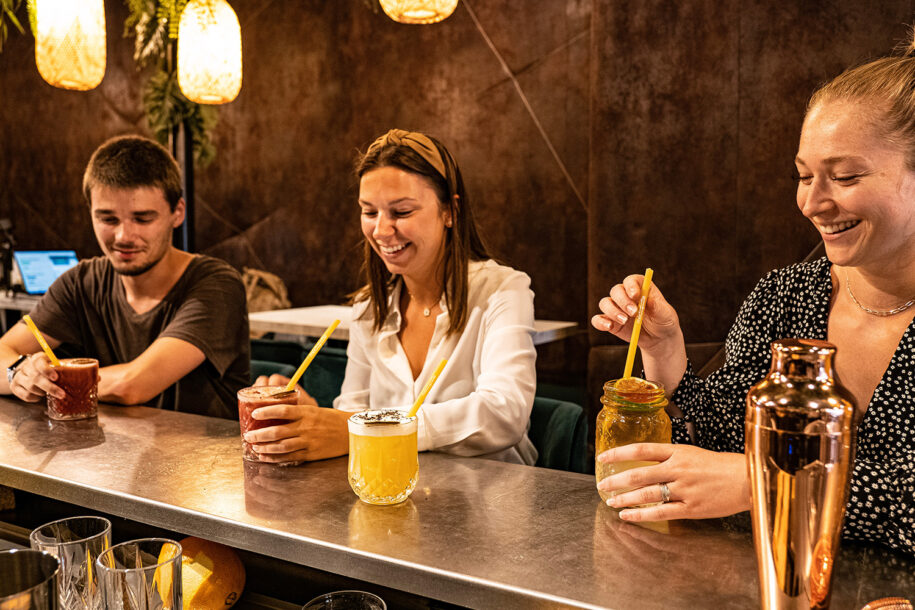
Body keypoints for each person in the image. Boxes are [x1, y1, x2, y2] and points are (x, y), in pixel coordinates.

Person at [592, 45, 915, 554]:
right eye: (804, 176)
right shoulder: (787, 294)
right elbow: (724, 440)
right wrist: (666, 353)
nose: (811, 202)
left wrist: (763, 480)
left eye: (846, 176)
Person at [246, 129, 538, 464]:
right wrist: (314, 415)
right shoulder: (369, 309)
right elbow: (352, 415)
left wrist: (370, 428)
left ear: (450, 212)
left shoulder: (503, 290)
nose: (382, 231)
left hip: (494, 500)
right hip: (393, 493)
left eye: (400, 212)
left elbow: (504, 414)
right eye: (369, 213)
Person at [1, 135, 250, 418]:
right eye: (108, 219)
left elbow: (134, 384)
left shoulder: (216, 284)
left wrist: (49, 380)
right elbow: (4, 351)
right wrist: (19, 372)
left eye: (143, 219)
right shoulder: (79, 283)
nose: (124, 236)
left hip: (204, 460)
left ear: (177, 213)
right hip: (102, 456)